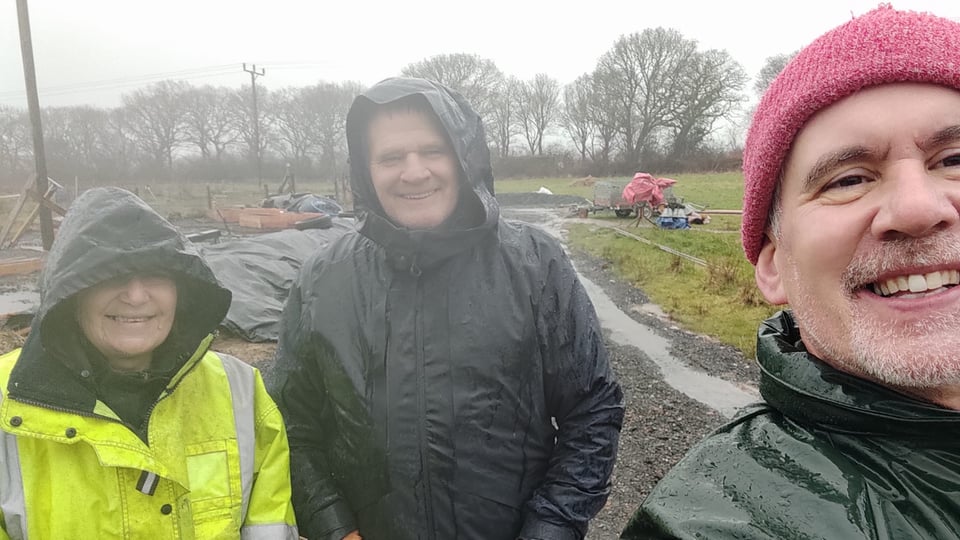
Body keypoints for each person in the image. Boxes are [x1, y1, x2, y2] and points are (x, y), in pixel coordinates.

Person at [620, 5, 960, 539]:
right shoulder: (719, 525)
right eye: (848, 179)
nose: (918, 209)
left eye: (956, 160)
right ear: (773, 264)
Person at [269, 77, 624, 540]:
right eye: (391, 157)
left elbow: (592, 409)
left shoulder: (537, 264)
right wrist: (332, 526)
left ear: (463, 157)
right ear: (365, 171)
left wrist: (551, 527)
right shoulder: (321, 280)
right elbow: (289, 421)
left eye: (432, 151)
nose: (414, 172)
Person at [0, 187, 298, 538]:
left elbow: (269, 526)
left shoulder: (241, 392)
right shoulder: (9, 404)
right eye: (110, 274)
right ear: (72, 293)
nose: (136, 296)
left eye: (156, 275)